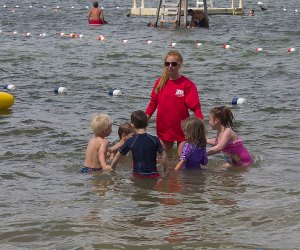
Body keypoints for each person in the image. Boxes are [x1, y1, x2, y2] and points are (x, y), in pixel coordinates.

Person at [145, 50, 204, 156]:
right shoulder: (160, 82)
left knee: (182, 159)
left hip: (182, 129)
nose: (170, 66)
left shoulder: (187, 84)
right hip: (164, 128)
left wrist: (201, 125)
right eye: (167, 64)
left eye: (174, 64)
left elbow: (196, 108)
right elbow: (152, 105)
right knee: (161, 159)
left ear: (179, 65)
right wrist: (142, 123)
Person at [111, 110, 168, 178]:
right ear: (147, 123)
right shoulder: (154, 139)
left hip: (138, 175)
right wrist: (165, 171)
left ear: (132, 125)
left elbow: (118, 156)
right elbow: (164, 155)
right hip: (154, 174)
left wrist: (112, 168)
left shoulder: (131, 140)